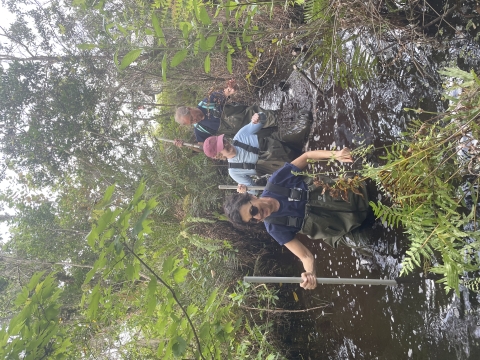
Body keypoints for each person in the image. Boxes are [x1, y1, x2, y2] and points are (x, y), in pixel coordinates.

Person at [223, 148, 370, 290]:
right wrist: (310, 274)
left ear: (252, 196)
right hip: (345, 228)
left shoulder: (277, 181)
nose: (258, 216)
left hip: (353, 193)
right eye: (253, 220)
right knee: (371, 245)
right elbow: (306, 256)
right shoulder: (275, 228)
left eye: (253, 210)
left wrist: (336, 154)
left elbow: (306, 157)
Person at [203, 112, 301, 194]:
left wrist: (258, 116)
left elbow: (262, 119)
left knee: (303, 124)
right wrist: (246, 190)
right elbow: (255, 191)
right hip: (285, 166)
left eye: (223, 141)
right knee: (301, 172)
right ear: (218, 156)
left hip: (283, 142)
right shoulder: (234, 171)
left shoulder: (239, 136)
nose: (226, 144)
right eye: (222, 146)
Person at [174, 79, 277, 145]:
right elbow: (202, 147)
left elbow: (225, 93)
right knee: (275, 136)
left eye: (192, 118)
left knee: (278, 118)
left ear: (190, 109)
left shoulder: (208, 102)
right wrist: (186, 145)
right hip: (248, 133)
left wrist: (230, 89)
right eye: (191, 122)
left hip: (250, 116)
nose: (194, 121)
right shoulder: (200, 130)